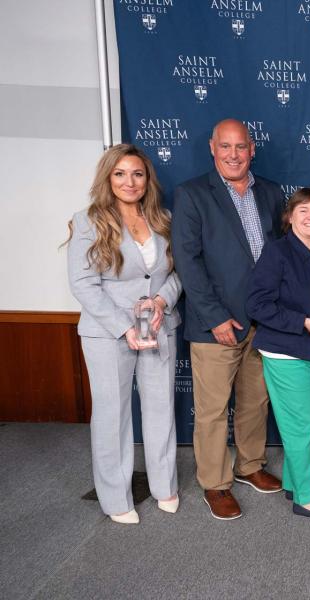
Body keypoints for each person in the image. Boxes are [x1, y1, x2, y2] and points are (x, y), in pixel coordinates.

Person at [171, 118, 284, 520]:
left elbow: (280, 256)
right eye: (225, 147)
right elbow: (188, 261)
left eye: (241, 147)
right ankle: (215, 484)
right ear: (212, 148)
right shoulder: (192, 194)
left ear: (252, 149)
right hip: (215, 324)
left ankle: (250, 466)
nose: (233, 155)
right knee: (214, 409)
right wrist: (215, 316)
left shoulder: (270, 192)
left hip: (263, 322)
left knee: (255, 402)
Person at [66, 144, 181, 524]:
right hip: (107, 333)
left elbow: (177, 273)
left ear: (147, 179)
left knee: (161, 406)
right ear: (108, 178)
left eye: (137, 174)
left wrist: (163, 301)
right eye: (120, 174)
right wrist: (125, 326)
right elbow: (83, 284)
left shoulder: (163, 219)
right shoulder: (88, 221)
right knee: (113, 415)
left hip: (160, 326)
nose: (129, 182)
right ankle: (115, 499)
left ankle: (165, 486)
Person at [245, 188, 310, 520]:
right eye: (303, 210)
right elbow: (257, 304)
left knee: (309, 422)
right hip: (286, 351)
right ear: (290, 217)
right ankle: (305, 499)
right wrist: (301, 322)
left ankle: (293, 482)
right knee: (302, 424)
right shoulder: (277, 253)